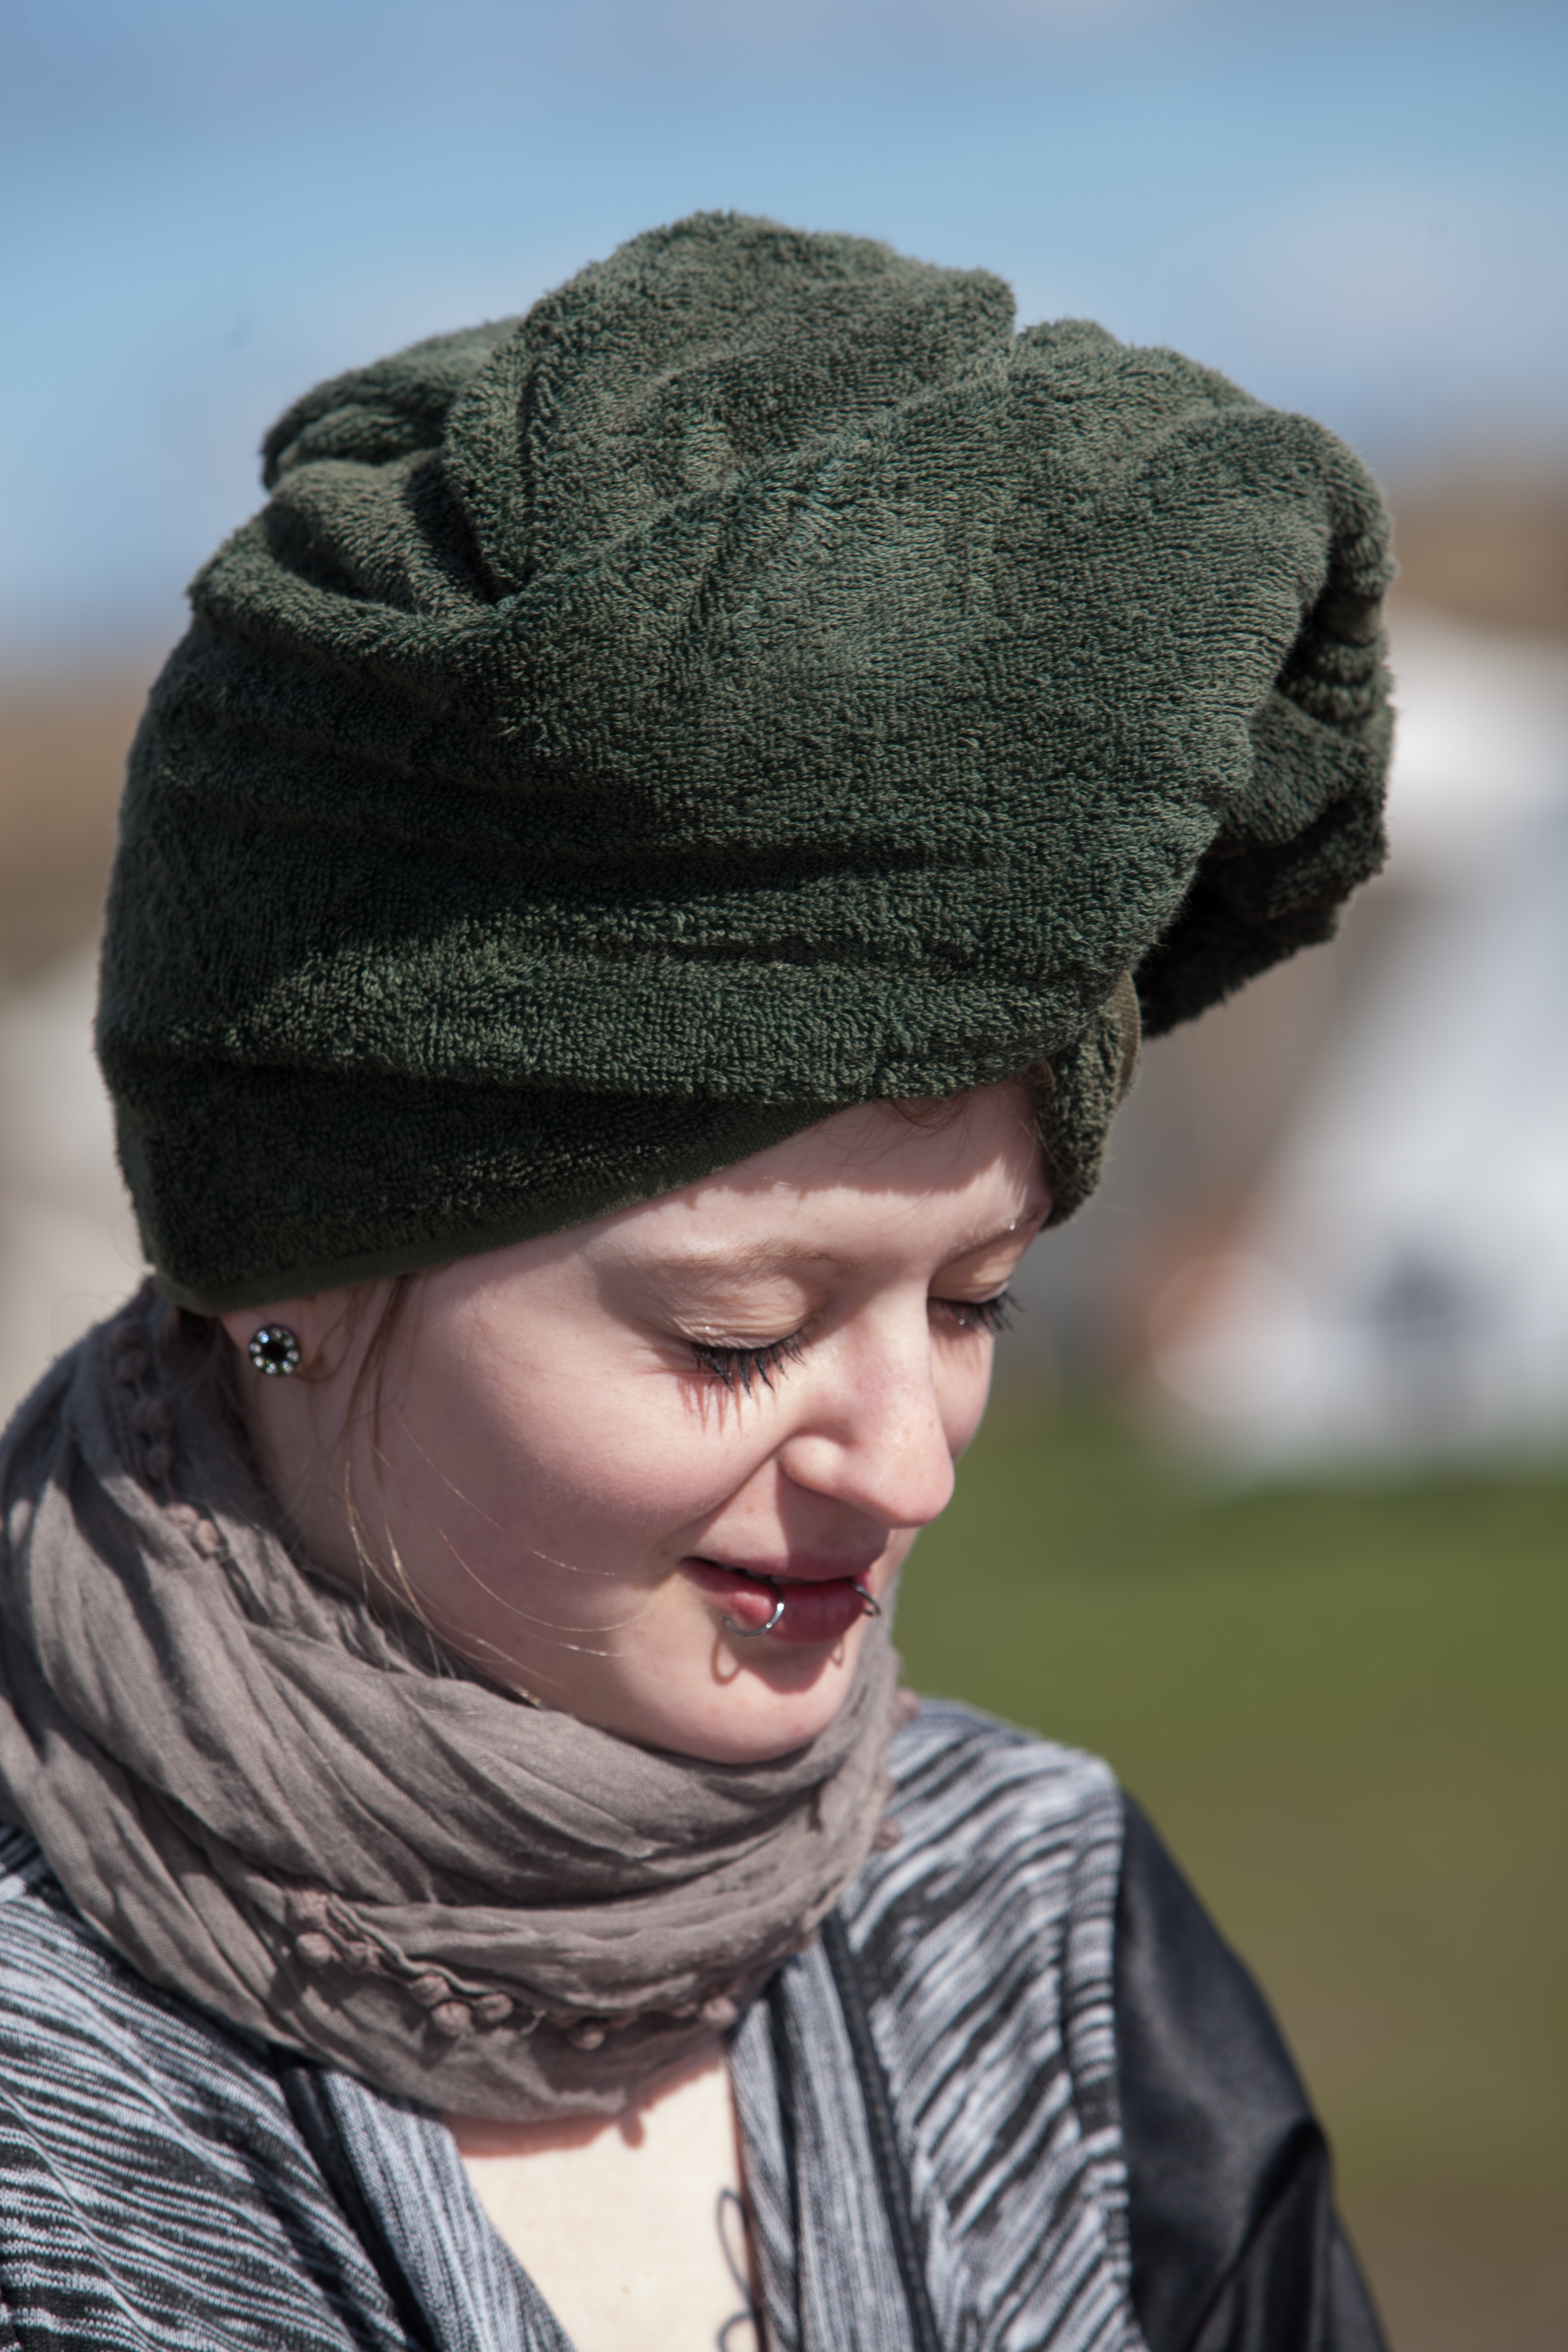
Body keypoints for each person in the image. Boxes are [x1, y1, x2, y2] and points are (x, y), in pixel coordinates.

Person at [0, 213, 1394, 2350]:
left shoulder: (1049, 1934)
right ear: (295, 1278)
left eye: (973, 1303)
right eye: (736, 1336)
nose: (910, 1471)